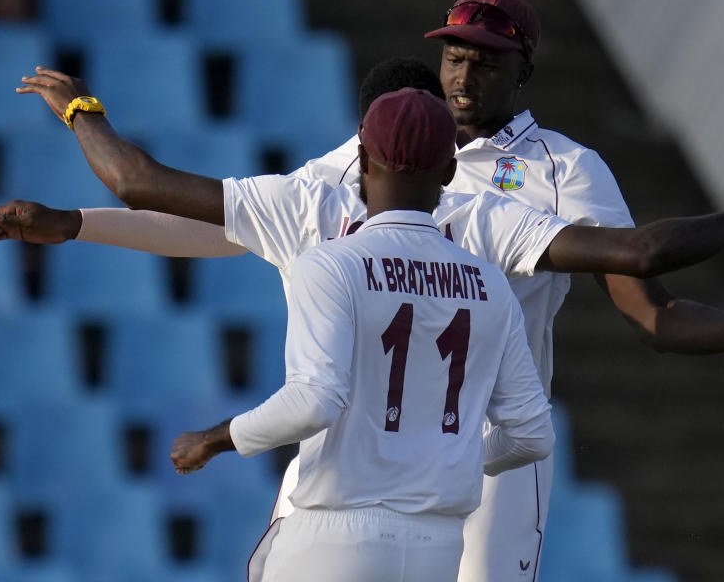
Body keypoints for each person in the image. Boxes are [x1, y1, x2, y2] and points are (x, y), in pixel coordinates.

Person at [0, 33, 724, 580]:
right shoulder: (476, 238)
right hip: (439, 500)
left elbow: (157, 189)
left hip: (343, 497)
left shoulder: (337, 220)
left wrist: (222, 435)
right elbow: (602, 311)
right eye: (453, 58)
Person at [169, 88, 556, 581]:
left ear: (360, 162)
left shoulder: (330, 264)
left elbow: (313, 401)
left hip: (334, 539)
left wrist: (215, 438)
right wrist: (445, 456)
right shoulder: (490, 285)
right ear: (450, 172)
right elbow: (532, 434)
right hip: (436, 548)